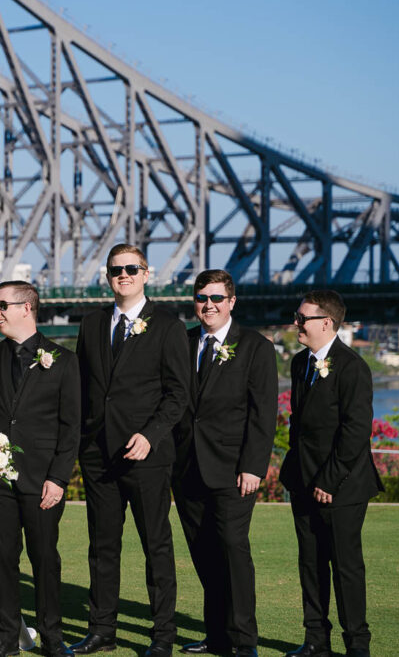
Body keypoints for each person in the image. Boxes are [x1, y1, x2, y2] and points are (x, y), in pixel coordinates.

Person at [72, 244, 189, 657]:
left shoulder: (169, 327)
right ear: (107, 277)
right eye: (115, 270)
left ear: (146, 274)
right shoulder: (91, 323)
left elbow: (178, 394)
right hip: (98, 455)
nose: (123, 275)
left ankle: (163, 635)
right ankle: (102, 630)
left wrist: (151, 435)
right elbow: (85, 389)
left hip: (147, 455)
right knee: (102, 546)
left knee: (156, 544)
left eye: (131, 269)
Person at [172, 270, 277, 657]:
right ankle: (216, 636)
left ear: (232, 301)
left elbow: (264, 413)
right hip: (186, 469)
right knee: (203, 553)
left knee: (233, 549)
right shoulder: (182, 343)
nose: (209, 305)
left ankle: (244, 640)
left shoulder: (255, 347)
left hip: (234, 469)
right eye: (201, 298)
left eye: (217, 297)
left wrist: (253, 466)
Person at [0, 281, 81, 657]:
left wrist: (58, 477)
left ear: (27, 308)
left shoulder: (64, 361)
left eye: (3, 305)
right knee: (3, 560)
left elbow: (72, 427)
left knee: (45, 559)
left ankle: (53, 639)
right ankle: (6, 639)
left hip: (42, 481)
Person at [280, 290, 382, 657]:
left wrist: (328, 480)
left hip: (343, 487)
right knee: (310, 564)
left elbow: (356, 431)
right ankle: (315, 641)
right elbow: (299, 423)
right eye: (297, 316)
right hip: (303, 481)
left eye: (302, 318)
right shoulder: (299, 363)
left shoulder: (353, 367)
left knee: (345, 567)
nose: (296, 324)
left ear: (326, 323)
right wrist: (297, 474)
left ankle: (357, 646)